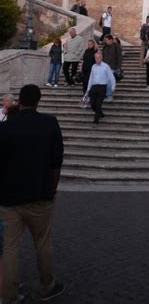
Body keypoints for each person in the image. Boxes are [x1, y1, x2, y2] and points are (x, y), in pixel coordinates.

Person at [0, 84, 65, 303]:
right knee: (43, 243)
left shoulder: (5, 127)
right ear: (39, 100)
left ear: (20, 100)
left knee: (9, 248)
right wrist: (52, 189)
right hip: (40, 194)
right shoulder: (49, 124)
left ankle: (8, 295)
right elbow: (57, 162)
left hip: (9, 198)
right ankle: (47, 285)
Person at [86, 52, 116, 122]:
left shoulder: (106, 66)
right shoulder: (93, 66)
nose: (97, 59)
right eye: (96, 58)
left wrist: (113, 87)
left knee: (98, 103)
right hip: (94, 87)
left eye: (98, 57)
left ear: (101, 58)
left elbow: (111, 77)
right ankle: (101, 114)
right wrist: (88, 88)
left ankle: (96, 120)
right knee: (92, 103)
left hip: (102, 87)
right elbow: (91, 78)